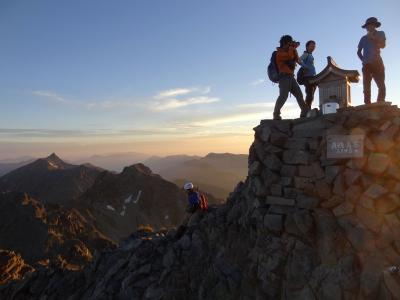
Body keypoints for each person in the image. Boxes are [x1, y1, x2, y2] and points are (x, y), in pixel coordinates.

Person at [273, 35, 309, 120]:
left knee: (299, 95)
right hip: (284, 77)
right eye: (289, 43)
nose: (290, 45)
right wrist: (292, 47)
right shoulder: (279, 53)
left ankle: (305, 111)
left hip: (291, 77)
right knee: (283, 96)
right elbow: (289, 56)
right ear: (285, 43)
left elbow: (296, 59)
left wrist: (294, 49)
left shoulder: (291, 50)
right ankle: (276, 114)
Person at [357, 17, 386, 104]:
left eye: (369, 25)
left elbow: (383, 45)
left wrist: (373, 38)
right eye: (367, 26)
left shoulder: (381, 33)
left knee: (381, 84)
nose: (368, 27)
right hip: (366, 64)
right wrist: (363, 60)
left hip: (377, 62)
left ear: (374, 25)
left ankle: (380, 102)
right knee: (366, 85)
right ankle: (367, 103)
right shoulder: (363, 38)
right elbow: (358, 51)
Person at [300, 40, 317, 109]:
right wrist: (305, 67)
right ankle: (306, 110)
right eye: (312, 45)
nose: (313, 47)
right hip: (307, 77)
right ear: (307, 46)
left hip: (313, 77)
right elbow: (299, 59)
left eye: (314, 46)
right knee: (309, 93)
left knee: (311, 94)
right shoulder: (306, 54)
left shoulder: (310, 55)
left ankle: (307, 108)